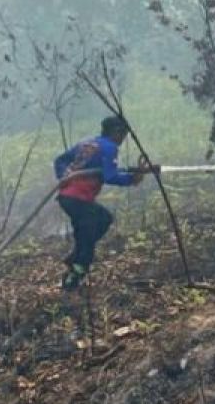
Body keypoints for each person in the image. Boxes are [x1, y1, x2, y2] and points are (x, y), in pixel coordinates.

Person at [52, 116, 154, 290]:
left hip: (67, 198)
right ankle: (74, 276)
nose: (123, 139)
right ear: (115, 132)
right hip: (78, 199)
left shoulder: (87, 143)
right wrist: (133, 179)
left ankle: (76, 258)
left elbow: (59, 161)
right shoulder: (110, 147)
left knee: (100, 221)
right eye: (122, 134)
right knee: (89, 233)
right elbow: (110, 176)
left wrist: (64, 175)